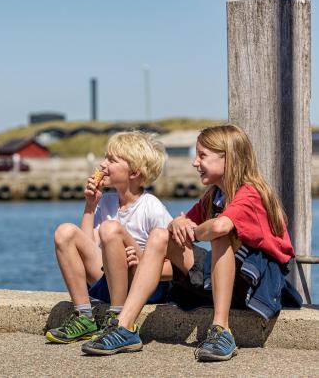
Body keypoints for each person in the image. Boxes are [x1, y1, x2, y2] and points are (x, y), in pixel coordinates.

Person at [81, 124, 301, 360]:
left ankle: (221, 330)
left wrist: (194, 231)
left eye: (202, 156)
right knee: (159, 235)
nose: (195, 162)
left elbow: (219, 227)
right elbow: (179, 221)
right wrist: (178, 224)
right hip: (222, 279)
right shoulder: (215, 195)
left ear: (229, 158)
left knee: (219, 234)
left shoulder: (250, 194)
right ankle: (125, 327)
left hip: (256, 285)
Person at [45, 130, 173, 344]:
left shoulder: (152, 207)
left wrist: (142, 261)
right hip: (109, 281)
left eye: (112, 160)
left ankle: (118, 318)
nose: (103, 164)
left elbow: (174, 267)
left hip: (142, 287)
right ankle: (84, 317)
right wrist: (90, 205)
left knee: (110, 229)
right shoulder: (106, 203)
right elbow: (89, 246)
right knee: (64, 232)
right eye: (105, 157)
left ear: (134, 173)